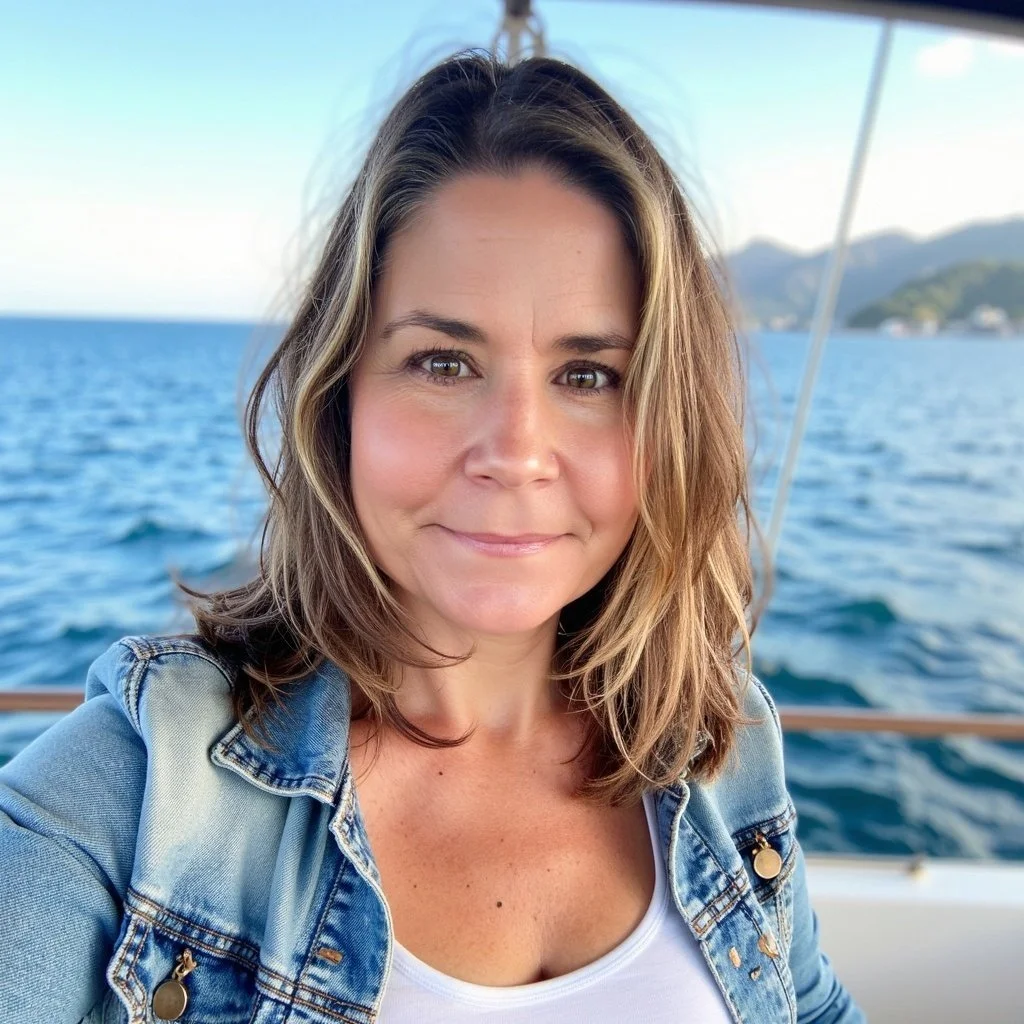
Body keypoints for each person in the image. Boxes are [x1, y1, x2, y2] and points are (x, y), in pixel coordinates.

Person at [0, 50, 863, 1023]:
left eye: (589, 376)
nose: (516, 453)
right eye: (443, 362)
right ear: (340, 399)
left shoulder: (718, 737)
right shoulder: (138, 792)